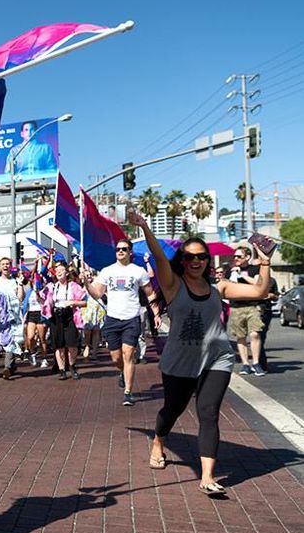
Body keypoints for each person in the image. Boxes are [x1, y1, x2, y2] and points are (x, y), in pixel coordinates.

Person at [131, 211, 274, 497]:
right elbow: (159, 257)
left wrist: (266, 261)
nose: (196, 261)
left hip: (216, 359)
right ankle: (159, 440)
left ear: (208, 261)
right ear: (182, 262)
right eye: (189, 257)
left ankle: (207, 476)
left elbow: (259, 290)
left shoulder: (217, 287)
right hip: (180, 361)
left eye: (201, 257)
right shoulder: (173, 286)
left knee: (208, 412)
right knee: (172, 411)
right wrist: (145, 226)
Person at [84, 235, 160, 406]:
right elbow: (97, 293)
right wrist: (87, 284)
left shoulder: (138, 271)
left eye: (123, 249)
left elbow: (150, 294)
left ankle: (128, 392)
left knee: (128, 354)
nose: (120, 251)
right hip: (112, 318)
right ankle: (122, 372)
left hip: (131, 318)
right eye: (118, 249)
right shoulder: (107, 271)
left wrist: (156, 313)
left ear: (130, 252)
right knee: (116, 358)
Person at [43, 260, 87, 379]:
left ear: (67, 273)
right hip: (56, 317)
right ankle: (62, 369)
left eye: (61, 270)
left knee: (72, 344)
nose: (59, 272)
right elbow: (43, 299)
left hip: (69, 316)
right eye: (57, 271)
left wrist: (72, 302)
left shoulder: (73, 286)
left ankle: (72, 366)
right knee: (59, 345)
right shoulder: (51, 287)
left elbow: (84, 302)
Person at [227, 247, 267, 375]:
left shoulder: (254, 269)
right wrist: (233, 276)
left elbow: (256, 283)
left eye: (239, 256)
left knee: (255, 334)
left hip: (252, 306)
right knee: (240, 336)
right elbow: (228, 287)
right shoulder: (230, 271)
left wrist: (241, 275)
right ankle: (245, 364)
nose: (236, 259)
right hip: (236, 307)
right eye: (235, 257)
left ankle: (256, 362)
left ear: (247, 257)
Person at [0, 256, 25, 379]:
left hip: (13, 315)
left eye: (7, 264)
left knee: (11, 338)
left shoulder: (14, 281)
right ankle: (12, 365)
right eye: (3, 264)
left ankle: (7, 367)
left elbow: (20, 298)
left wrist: (20, 285)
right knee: (3, 340)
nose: (5, 266)